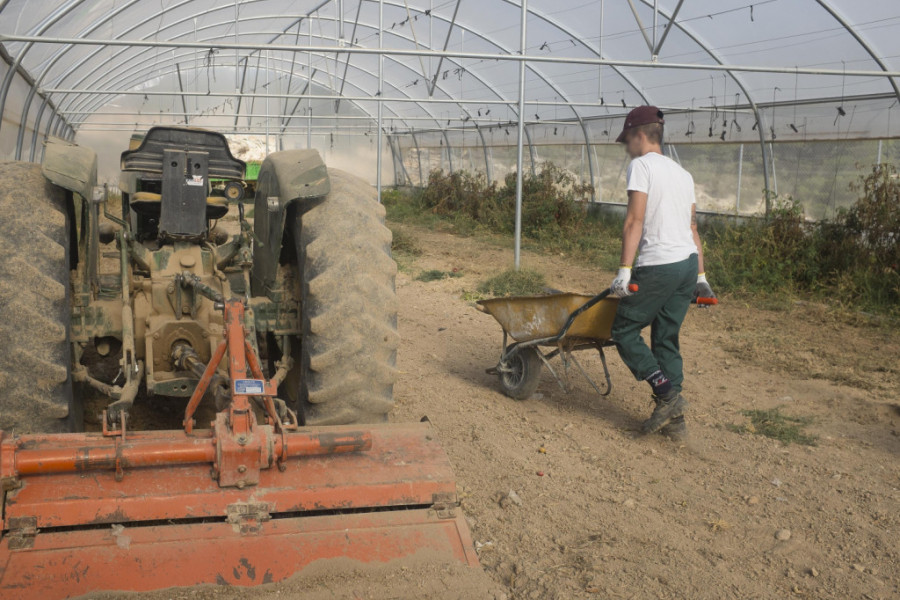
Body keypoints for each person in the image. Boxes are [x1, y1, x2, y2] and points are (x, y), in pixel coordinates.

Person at [608, 106, 716, 442]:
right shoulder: (682, 174)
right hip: (685, 263)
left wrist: (625, 271)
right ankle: (676, 423)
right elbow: (692, 227)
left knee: (624, 329)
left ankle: (668, 397)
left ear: (640, 135)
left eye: (628, 140)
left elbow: (634, 221)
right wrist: (700, 276)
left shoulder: (641, 166)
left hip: (660, 264)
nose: (627, 147)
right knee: (666, 336)